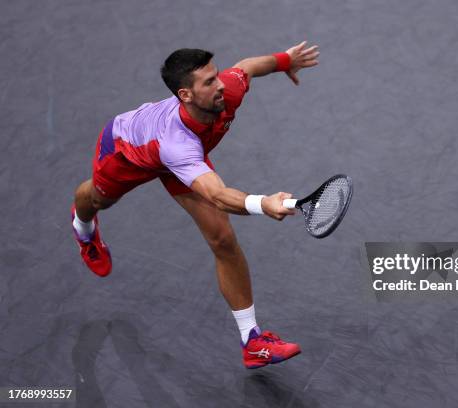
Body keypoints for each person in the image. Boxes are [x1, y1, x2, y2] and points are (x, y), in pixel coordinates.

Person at [70, 41, 319, 369]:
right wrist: (264, 203)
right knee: (99, 199)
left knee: (223, 239)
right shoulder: (176, 143)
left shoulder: (225, 91)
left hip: (187, 161)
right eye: (209, 82)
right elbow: (217, 195)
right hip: (127, 153)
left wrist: (285, 60)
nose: (220, 85)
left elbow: (246, 66)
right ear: (185, 95)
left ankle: (253, 341)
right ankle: (82, 227)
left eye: (216, 76)